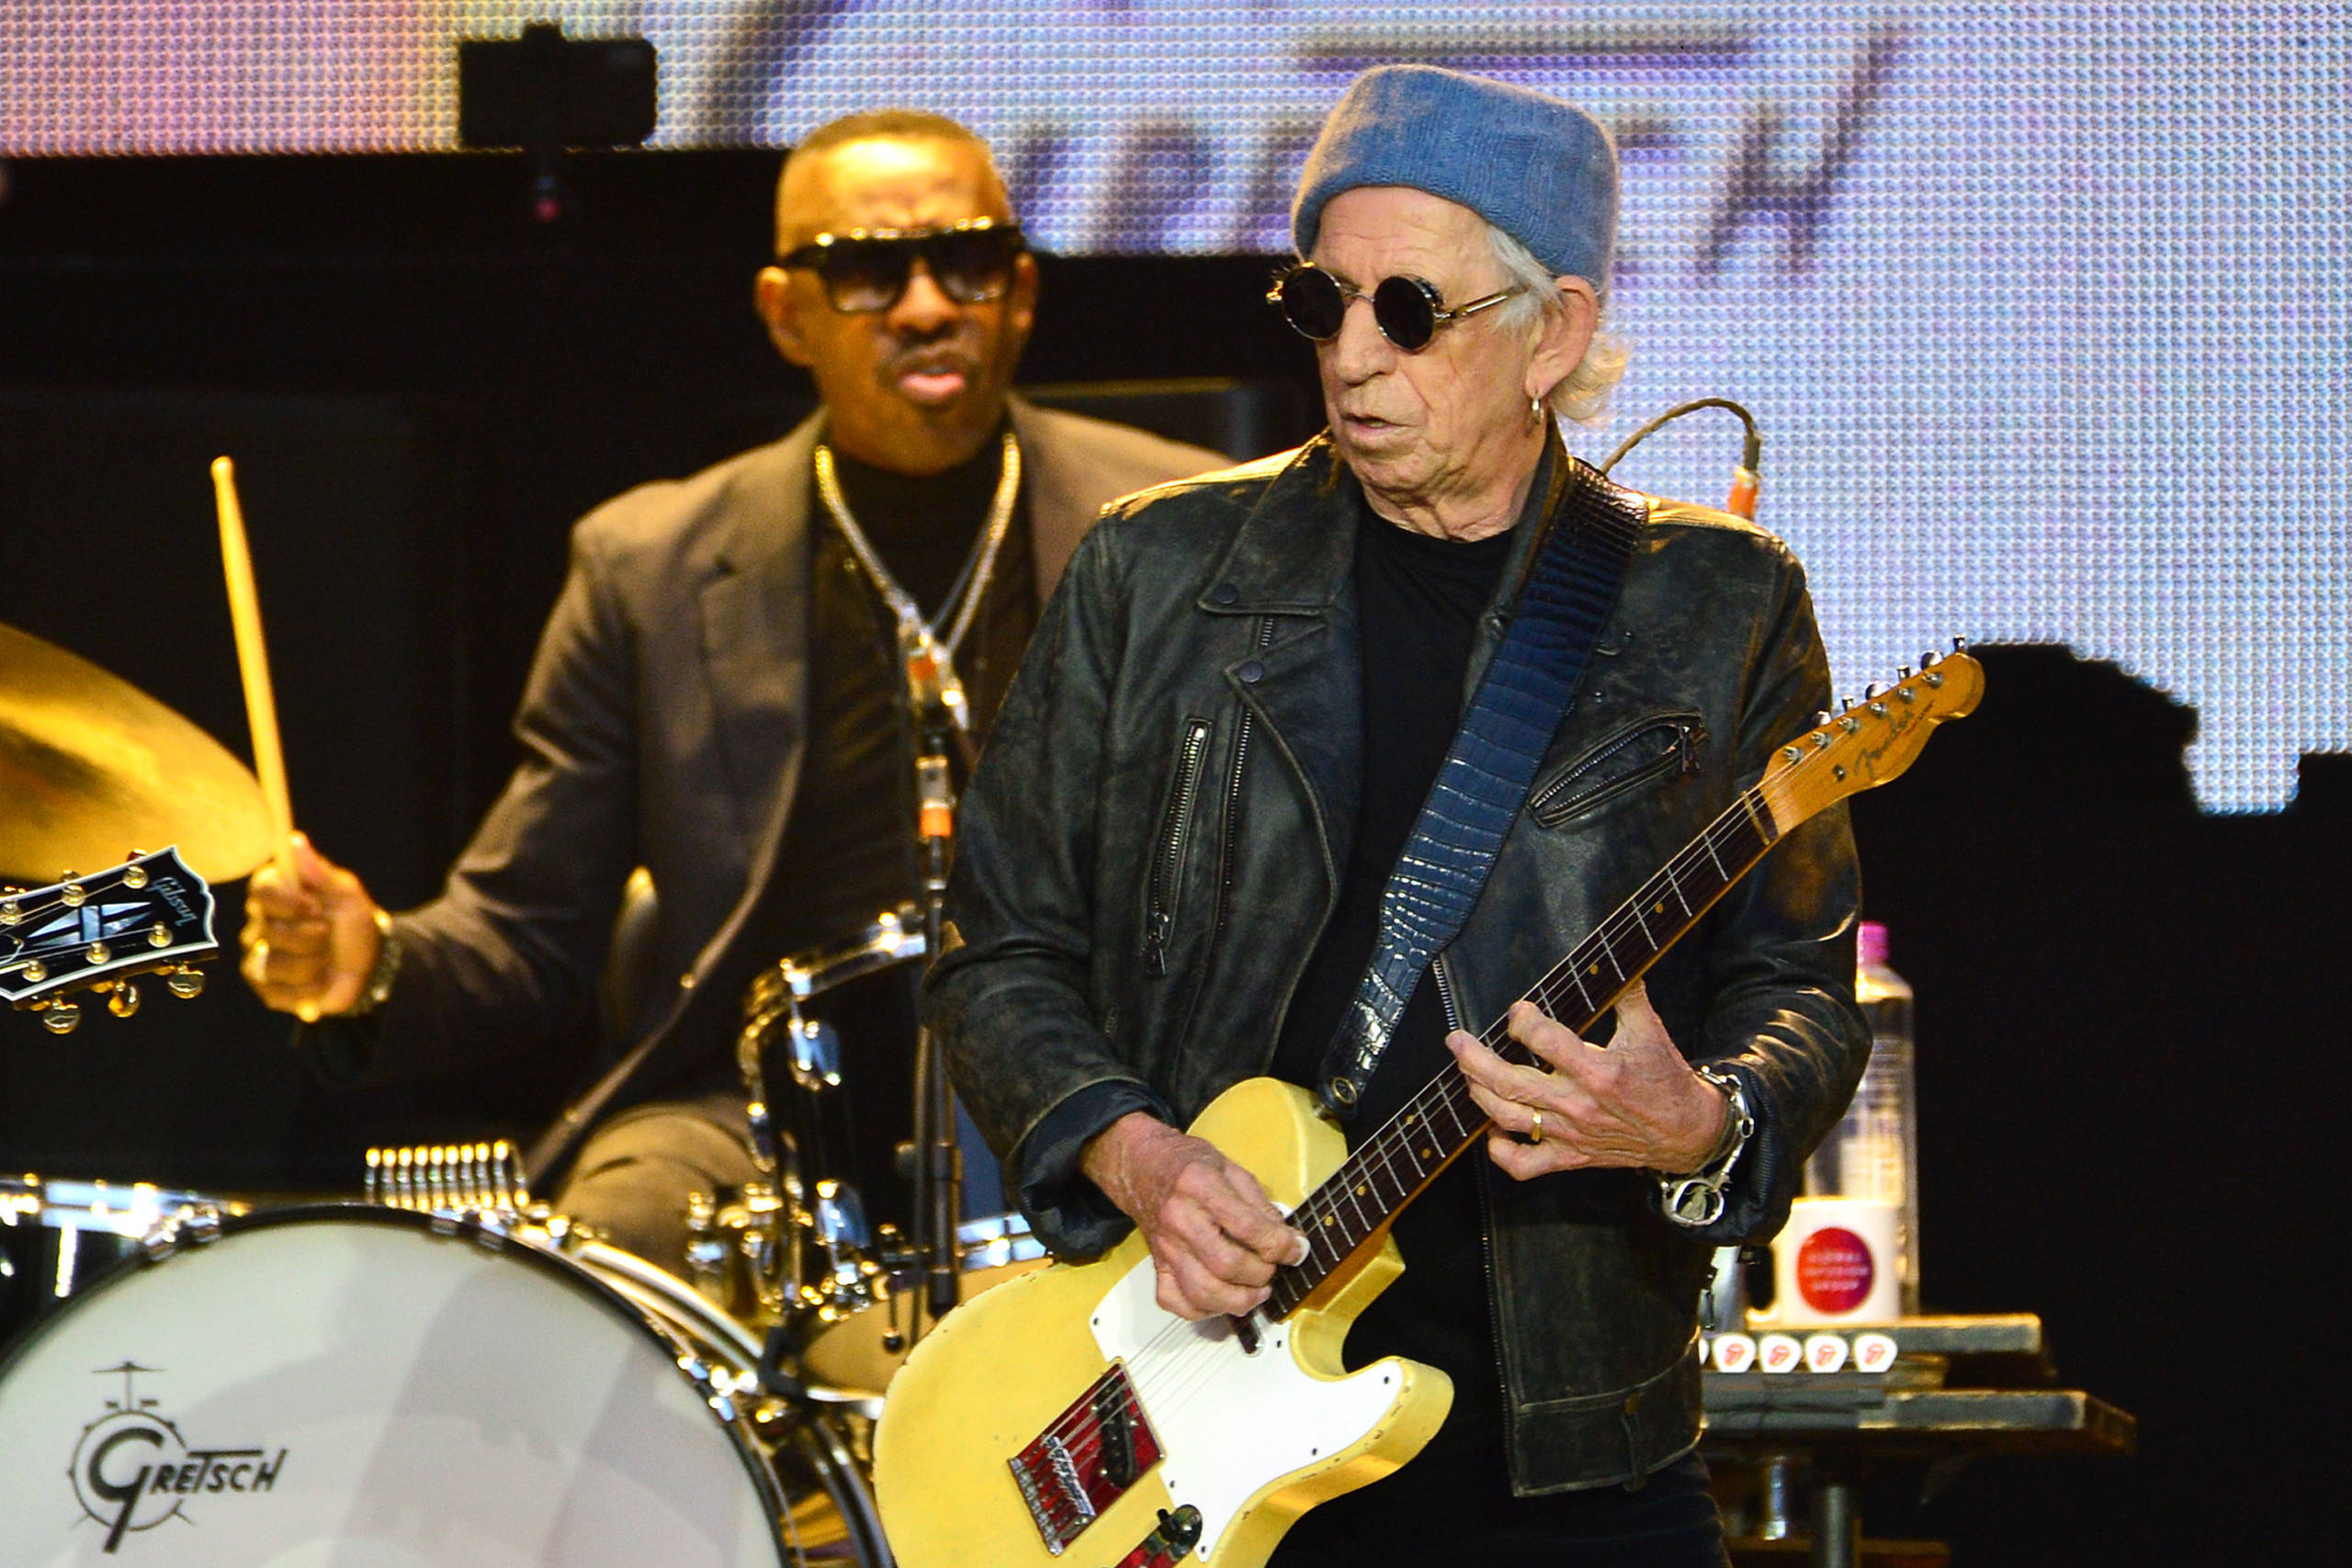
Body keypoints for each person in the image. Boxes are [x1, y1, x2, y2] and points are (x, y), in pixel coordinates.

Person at [925, 66, 1868, 1566]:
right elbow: (997, 950)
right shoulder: (1151, 573)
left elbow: (1798, 992)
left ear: (1553, 331)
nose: (1354, 357)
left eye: (1410, 312)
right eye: (1320, 304)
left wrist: (1696, 1121)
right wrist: (1134, 1154)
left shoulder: (1716, 605)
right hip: (1200, 1415)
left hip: (1568, 1447)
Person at [238, 109, 1227, 1269]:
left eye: (962, 261)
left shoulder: (1185, 524)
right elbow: (528, 930)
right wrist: (373, 965)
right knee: (621, 1230)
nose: (922, 306)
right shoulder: (648, 564)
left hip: (1105, 1077)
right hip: (762, 1107)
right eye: (862, 271)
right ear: (784, 313)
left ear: (1018, 290)